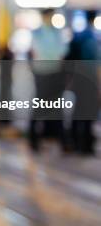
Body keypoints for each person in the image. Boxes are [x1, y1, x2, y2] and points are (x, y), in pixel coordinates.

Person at [28, 8, 68, 152]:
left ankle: (60, 139)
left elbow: (62, 53)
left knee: (57, 107)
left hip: (55, 73)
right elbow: (38, 52)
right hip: (42, 73)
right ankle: (34, 140)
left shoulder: (57, 33)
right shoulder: (37, 33)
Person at [65, 10, 99, 155]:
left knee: (79, 111)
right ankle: (85, 145)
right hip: (90, 79)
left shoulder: (78, 37)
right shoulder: (93, 39)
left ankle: (74, 141)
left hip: (79, 78)